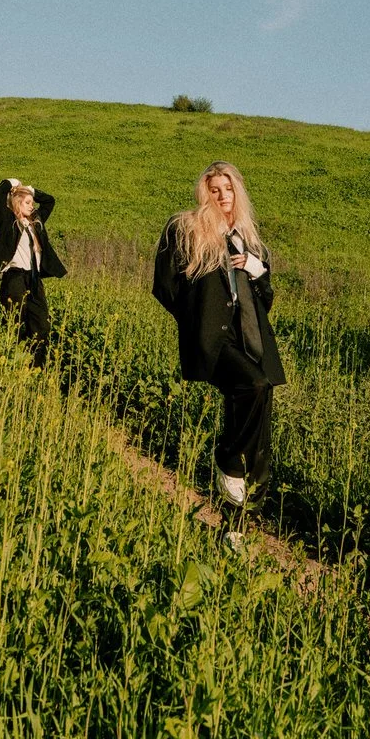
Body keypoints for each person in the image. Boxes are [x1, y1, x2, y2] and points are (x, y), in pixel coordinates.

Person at [153, 161, 285, 550]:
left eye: (228, 189)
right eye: (215, 190)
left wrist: (259, 272)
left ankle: (237, 527)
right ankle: (227, 464)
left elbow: (267, 302)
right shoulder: (187, 230)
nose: (222, 196)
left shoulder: (250, 241)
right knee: (253, 386)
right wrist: (196, 321)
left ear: (237, 192)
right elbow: (164, 286)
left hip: (252, 342)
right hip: (215, 341)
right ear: (204, 194)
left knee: (260, 439)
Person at [0, 178, 66, 366]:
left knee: (41, 324)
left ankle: (37, 367)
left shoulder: (36, 222)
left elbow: (50, 201)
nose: (31, 206)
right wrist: (11, 183)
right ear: (17, 203)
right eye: (27, 203)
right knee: (15, 322)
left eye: (32, 203)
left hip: (33, 278)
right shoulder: (7, 222)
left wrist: (31, 190)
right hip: (14, 277)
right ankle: (12, 362)